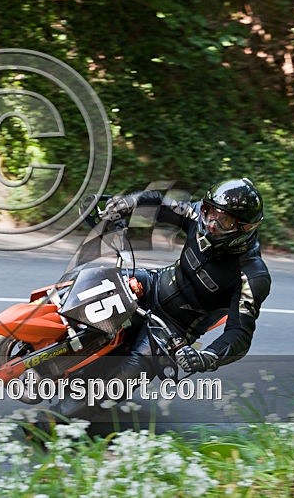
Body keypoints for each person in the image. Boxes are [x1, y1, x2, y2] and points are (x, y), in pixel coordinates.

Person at [44, 178, 272, 422]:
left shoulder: (252, 276)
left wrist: (207, 357)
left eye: (223, 221)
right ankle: (36, 329)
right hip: (153, 284)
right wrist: (126, 204)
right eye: (209, 212)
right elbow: (160, 204)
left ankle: (54, 421)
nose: (211, 224)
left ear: (245, 228)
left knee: (128, 372)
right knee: (90, 280)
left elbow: (239, 334)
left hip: (174, 328)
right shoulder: (198, 216)